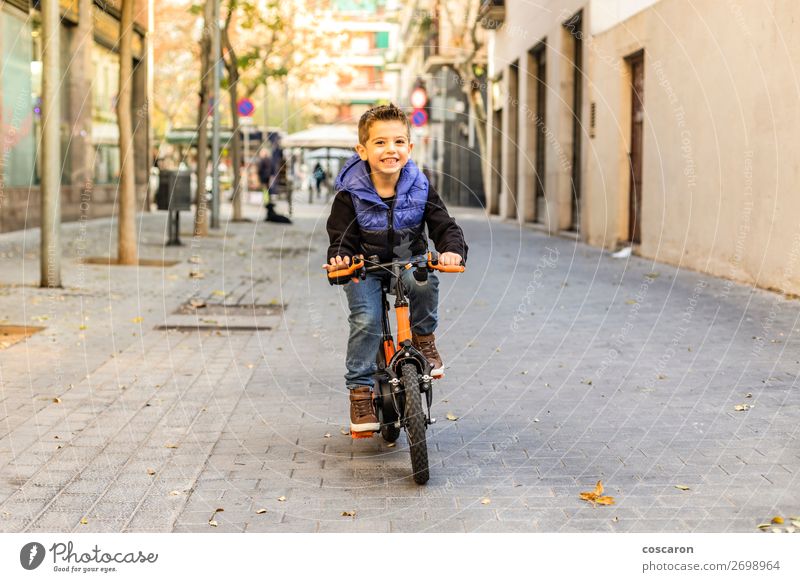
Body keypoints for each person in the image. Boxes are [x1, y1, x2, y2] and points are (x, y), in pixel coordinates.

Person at [323, 103, 468, 433]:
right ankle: (360, 392)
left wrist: (451, 251)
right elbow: (340, 236)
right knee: (367, 320)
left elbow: (444, 225)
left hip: (407, 260)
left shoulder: (420, 186)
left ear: (410, 147)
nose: (391, 149)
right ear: (363, 150)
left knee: (422, 279)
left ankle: (424, 339)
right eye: (380, 142)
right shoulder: (350, 193)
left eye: (399, 142)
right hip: (365, 266)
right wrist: (341, 258)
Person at [258, 147, 291, 224]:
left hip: (265, 179)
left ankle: (267, 202)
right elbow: (273, 170)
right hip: (269, 179)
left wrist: (262, 178)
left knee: (265, 192)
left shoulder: (263, 161)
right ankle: (268, 201)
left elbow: (260, 171)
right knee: (267, 192)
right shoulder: (270, 160)